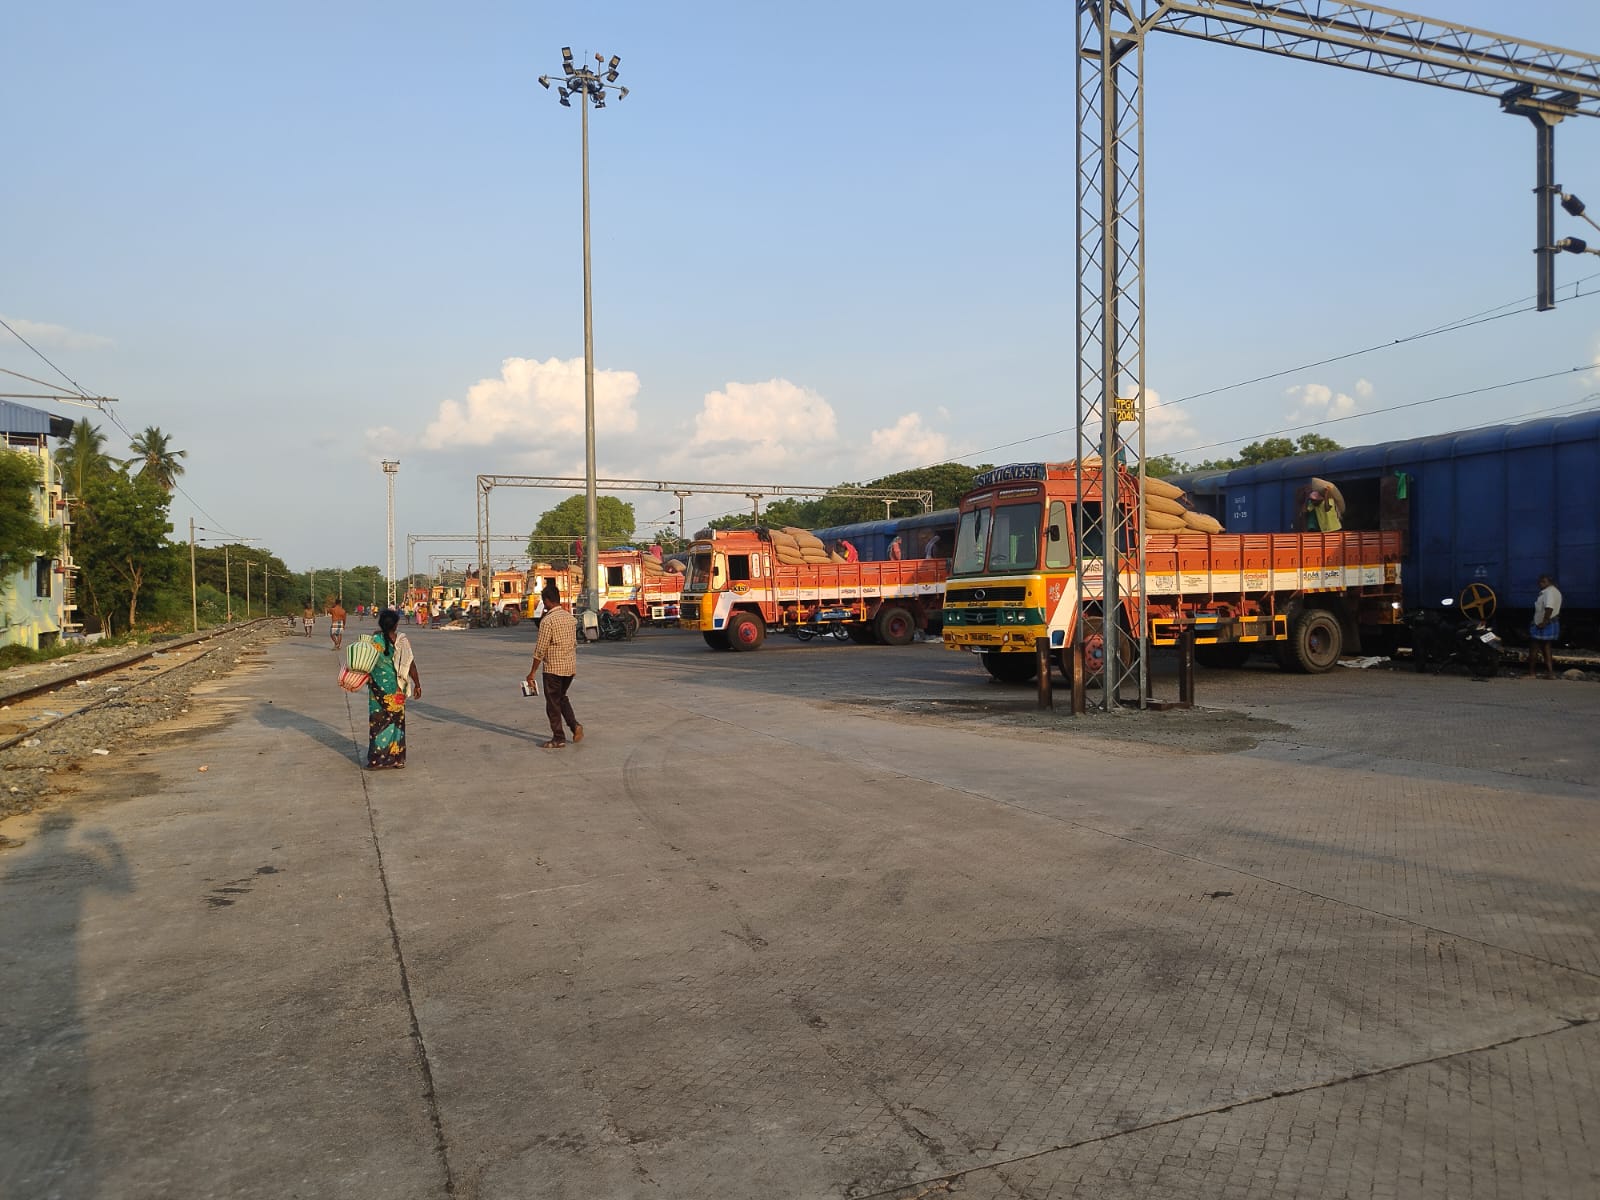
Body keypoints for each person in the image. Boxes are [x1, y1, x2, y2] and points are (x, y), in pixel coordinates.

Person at [526, 583, 583, 750]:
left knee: (552, 703)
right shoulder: (570, 618)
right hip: (569, 667)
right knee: (561, 697)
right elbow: (574, 643)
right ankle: (574, 726)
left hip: (553, 669)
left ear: (547, 601)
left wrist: (532, 673)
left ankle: (558, 737)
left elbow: (540, 649)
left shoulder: (547, 621)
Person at [365, 609, 421, 768]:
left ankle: (376, 760)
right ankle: (397, 759)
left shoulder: (374, 640)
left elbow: (364, 663)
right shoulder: (402, 641)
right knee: (397, 724)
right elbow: (410, 664)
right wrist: (417, 684)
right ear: (396, 625)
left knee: (377, 723)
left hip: (376, 690)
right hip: (397, 690)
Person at [1528, 573, 1562, 679]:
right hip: (1551, 622)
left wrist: (1544, 622)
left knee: (1534, 648)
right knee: (1547, 648)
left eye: (1543, 581)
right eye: (1540, 581)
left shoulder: (1548, 592)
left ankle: (1531, 674)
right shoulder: (1556, 591)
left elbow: (1549, 608)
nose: (1540, 583)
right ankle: (1551, 673)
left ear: (1548, 582)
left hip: (1543, 624)